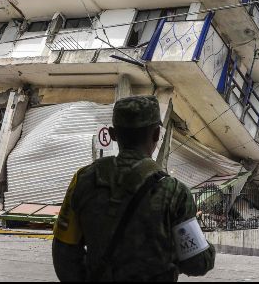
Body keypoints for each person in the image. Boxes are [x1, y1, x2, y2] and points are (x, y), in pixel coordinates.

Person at [52, 95, 215, 282]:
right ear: (156, 135)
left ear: (113, 135)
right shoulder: (174, 193)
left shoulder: (83, 180)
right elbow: (198, 263)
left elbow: (63, 255)